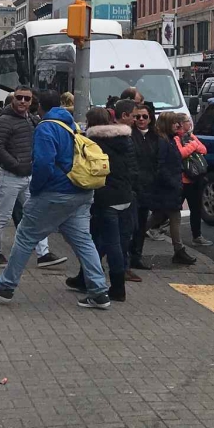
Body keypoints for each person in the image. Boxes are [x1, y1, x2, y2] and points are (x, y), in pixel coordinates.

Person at [0, 91, 112, 308]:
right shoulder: (73, 125)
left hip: (56, 191)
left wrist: (37, 189)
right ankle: (99, 291)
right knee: (83, 240)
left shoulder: (46, 127)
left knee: (25, 235)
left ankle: (6, 286)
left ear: (38, 108)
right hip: (82, 190)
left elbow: (43, 163)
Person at [65, 107, 139, 299]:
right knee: (100, 241)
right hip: (125, 196)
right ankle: (84, 278)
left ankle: (117, 288)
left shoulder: (93, 142)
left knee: (108, 243)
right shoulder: (126, 139)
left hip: (104, 198)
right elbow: (133, 168)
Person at [0, 88, 65, 268]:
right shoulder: (5, 120)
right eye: (19, 97)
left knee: (35, 214)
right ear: (13, 99)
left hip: (27, 174)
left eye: (26, 98)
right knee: (3, 216)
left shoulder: (32, 119)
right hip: (10, 175)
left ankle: (43, 253)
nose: (22, 101)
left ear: (31, 101)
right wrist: (16, 164)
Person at [129, 104, 183, 269]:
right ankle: (125, 255)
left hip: (148, 187)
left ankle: (136, 257)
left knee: (141, 223)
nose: (141, 120)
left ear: (150, 118)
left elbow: (158, 162)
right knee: (131, 224)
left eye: (144, 116)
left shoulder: (155, 137)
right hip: (133, 186)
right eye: (137, 116)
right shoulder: (130, 135)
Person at [144, 113, 197, 265]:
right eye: (174, 123)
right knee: (174, 217)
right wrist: (172, 182)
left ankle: (133, 238)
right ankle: (178, 250)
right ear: (167, 124)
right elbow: (160, 166)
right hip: (167, 188)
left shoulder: (170, 139)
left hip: (170, 186)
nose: (178, 126)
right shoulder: (163, 141)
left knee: (158, 216)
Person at [174, 115, 211, 248]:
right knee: (172, 208)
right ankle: (155, 228)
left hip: (195, 179)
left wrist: (193, 145)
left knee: (196, 209)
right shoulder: (176, 137)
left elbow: (204, 150)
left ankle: (197, 236)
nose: (190, 123)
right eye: (187, 122)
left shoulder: (191, 136)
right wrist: (193, 146)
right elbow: (181, 153)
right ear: (180, 124)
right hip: (182, 179)